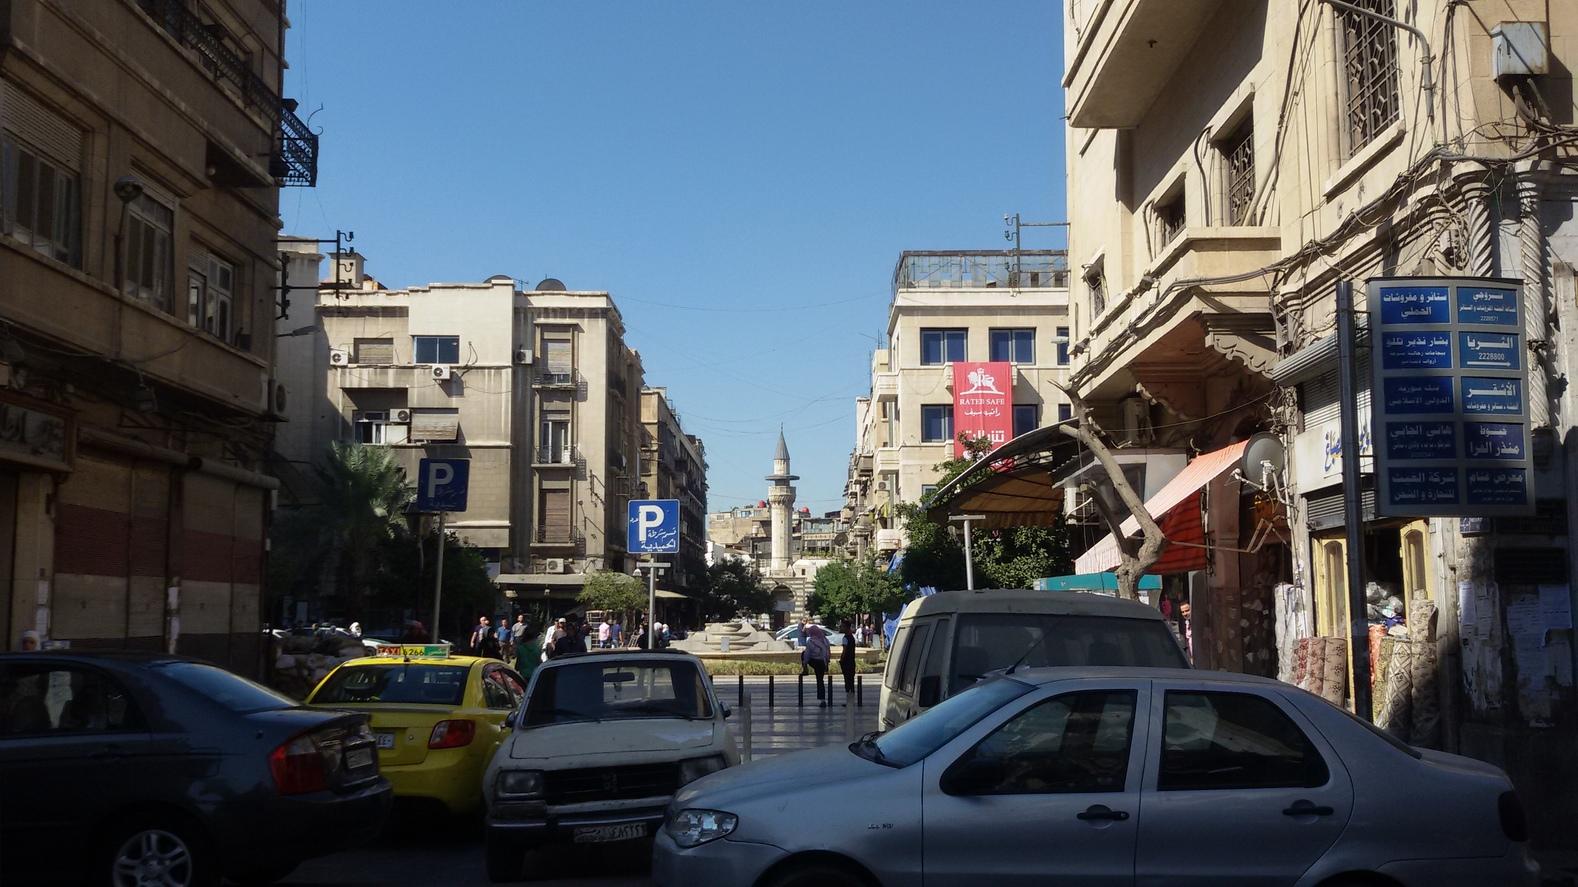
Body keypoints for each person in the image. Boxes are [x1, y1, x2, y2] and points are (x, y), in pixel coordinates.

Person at [804, 624, 831, 707]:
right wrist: (827, 662)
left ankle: (805, 669)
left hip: (814, 661)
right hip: (823, 662)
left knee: (803, 654)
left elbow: (807, 654)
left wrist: (805, 663)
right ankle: (822, 699)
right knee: (820, 680)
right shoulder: (825, 640)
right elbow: (828, 652)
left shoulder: (811, 641)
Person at [838, 619, 857, 704]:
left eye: (842, 626)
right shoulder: (852, 637)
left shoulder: (845, 638)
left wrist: (841, 659)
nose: (841, 628)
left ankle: (849, 701)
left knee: (847, 681)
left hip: (846, 662)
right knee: (851, 681)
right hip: (852, 661)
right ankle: (851, 700)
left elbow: (844, 650)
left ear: (846, 627)